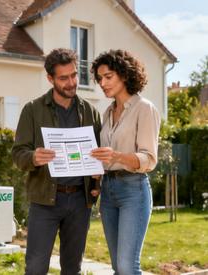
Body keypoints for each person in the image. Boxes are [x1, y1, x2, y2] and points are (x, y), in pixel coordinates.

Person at [12, 48, 102, 275]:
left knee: (73, 268)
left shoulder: (90, 112)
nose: (71, 83)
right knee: (35, 268)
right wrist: (33, 157)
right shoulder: (32, 110)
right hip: (45, 201)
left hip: (80, 202)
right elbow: (18, 154)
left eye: (74, 75)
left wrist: (97, 180)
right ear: (50, 79)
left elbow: (98, 156)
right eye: (64, 78)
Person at [90, 49, 160, 275]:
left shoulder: (144, 108)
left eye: (108, 77)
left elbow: (149, 159)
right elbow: (105, 156)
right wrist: (97, 174)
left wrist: (117, 156)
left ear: (124, 74)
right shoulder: (107, 112)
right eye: (99, 78)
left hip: (133, 190)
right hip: (108, 191)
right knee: (117, 267)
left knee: (127, 266)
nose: (102, 83)